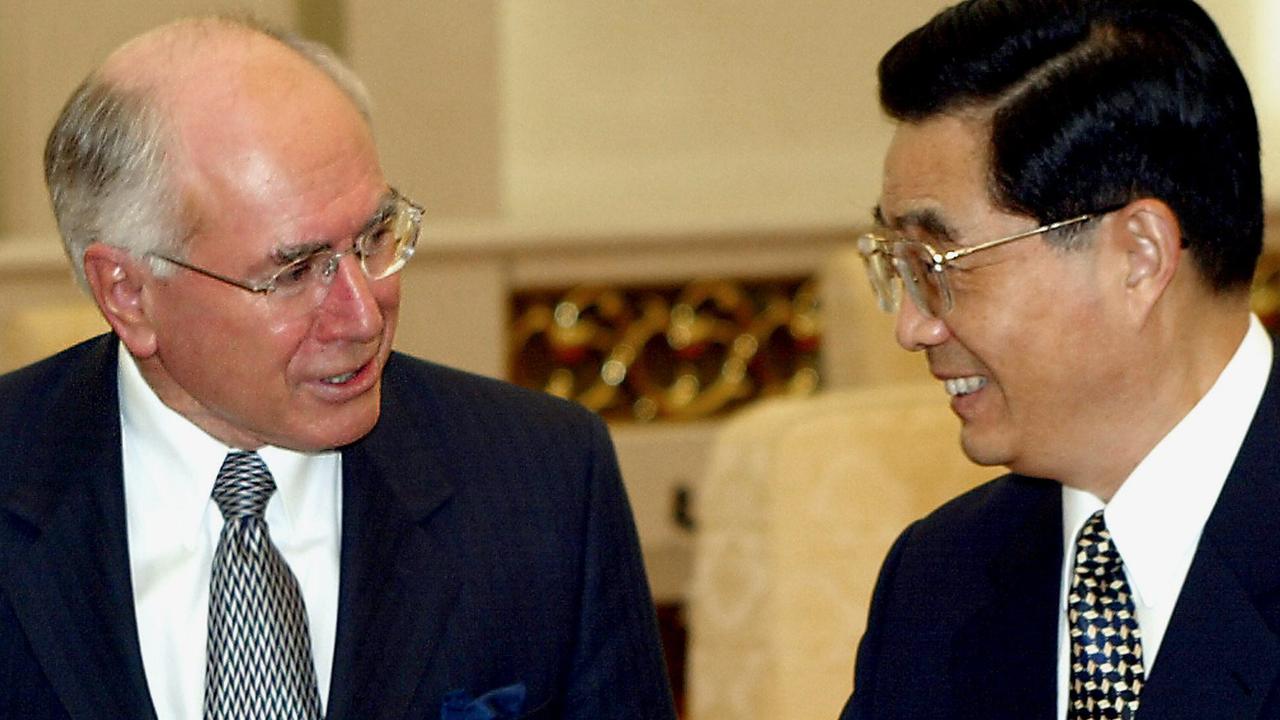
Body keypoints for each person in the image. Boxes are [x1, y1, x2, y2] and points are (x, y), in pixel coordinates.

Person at [0, 16, 676, 720]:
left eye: (376, 236)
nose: (364, 314)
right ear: (129, 294)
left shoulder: (543, 482)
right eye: (295, 271)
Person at [840, 0, 1277, 717]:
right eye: (900, 265)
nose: (913, 326)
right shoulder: (939, 580)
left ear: (1138, 256)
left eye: (939, 262)